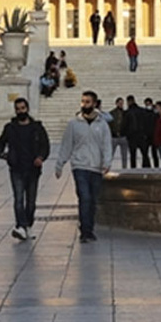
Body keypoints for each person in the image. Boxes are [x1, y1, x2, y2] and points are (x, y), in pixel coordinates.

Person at [54, 90, 113, 243]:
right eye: (83, 101)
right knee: (84, 197)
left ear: (94, 104)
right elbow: (67, 144)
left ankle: (89, 227)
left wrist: (107, 162)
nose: (84, 104)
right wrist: (60, 163)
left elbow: (107, 144)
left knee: (92, 199)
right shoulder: (73, 124)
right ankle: (85, 231)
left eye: (87, 102)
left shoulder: (102, 124)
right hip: (79, 166)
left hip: (96, 166)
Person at [0, 97, 51, 241]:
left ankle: (27, 226)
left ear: (27, 109)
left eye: (22, 108)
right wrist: (3, 155)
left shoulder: (37, 128)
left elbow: (45, 145)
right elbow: (0, 143)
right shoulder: (10, 128)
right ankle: (21, 226)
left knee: (31, 201)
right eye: (18, 109)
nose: (20, 111)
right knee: (19, 199)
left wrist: (41, 157)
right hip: (17, 168)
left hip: (33, 168)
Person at [124, 95, 152, 168]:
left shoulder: (127, 112)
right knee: (145, 154)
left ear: (128, 102)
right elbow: (147, 123)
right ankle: (146, 168)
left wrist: (126, 134)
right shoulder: (142, 110)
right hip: (142, 135)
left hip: (132, 136)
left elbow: (125, 125)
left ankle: (133, 169)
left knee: (133, 155)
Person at [110, 97, 129, 169]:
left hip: (123, 136)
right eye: (119, 103)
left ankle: (124, 167)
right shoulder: (112, 113)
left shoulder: (125, 113)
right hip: (114, 137)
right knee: (111, 154)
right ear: (116, 103)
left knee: (124, 154)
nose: (121, 104)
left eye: (122, 103)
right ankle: (108, 166)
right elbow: (110, 124)